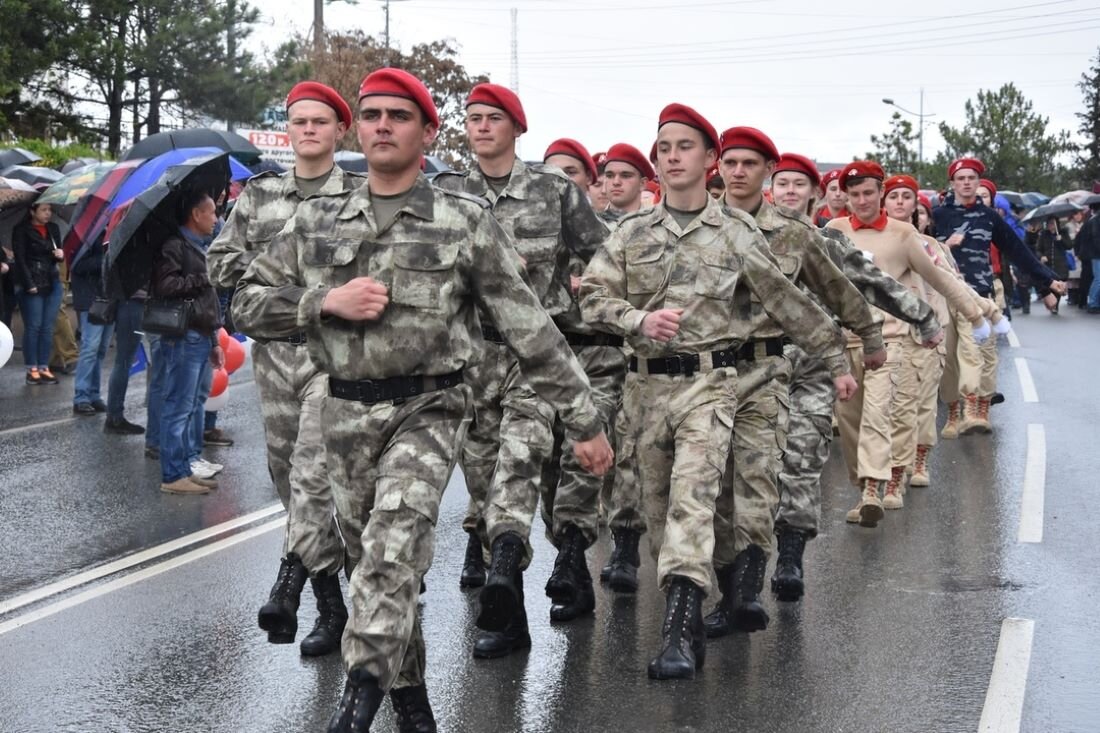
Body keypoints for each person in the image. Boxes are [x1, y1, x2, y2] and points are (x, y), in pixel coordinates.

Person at [230, 67, 612, 733]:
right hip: (343, 413)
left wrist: (583, 419)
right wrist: (322, 301)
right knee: (373, 568)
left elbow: (529, 326)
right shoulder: (316, 218)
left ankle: (357, 700)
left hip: (428, 410)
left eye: (398, 116)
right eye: (372, 114)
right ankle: (411, 701)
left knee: (392, 546)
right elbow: (245, 300)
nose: (382, 124)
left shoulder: (460, 220)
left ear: (427, 131)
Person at [580, 103, 848, 679]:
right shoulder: (631, 232)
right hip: (645, 391)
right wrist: (635, 320)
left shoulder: (737, 233)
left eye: (685, 146)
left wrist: (838, 356)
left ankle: (677, 630)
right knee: (658, 513)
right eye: (665, 148)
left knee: (693, 501)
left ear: (710, 160)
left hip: (711, 386)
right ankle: (701, 608)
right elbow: (593, 297)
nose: (673, 156)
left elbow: (786, 301)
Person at [434, 82, 616, 653]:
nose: (481, 127)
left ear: (517, 128)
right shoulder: (447, 194)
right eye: (473, 118)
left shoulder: (552, 190)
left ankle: (506, 582)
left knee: (520, 459)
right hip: (469, 358)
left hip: (536, 353)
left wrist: (598, 297)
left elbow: (606, 255)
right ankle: (540, 597)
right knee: (485, 478)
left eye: (493, 118)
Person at [209, 80, 364, 657]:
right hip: (276, 355)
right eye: (298, 121)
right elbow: (220, 263)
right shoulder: (260, 196)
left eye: (319, 121)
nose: (307, 130)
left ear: (338, 130)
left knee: (316, 475)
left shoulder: (359, 194)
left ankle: (306, 588)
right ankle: (332, 600)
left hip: (337, 353)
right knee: (288, 480)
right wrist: (284, 268)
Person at [705, 128, 867, 636]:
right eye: (728, 163)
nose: (735, 172)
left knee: (795, 463)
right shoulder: (702, 228)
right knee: (724, 483)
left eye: (748, 163)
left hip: (803, 367)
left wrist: (867, 340)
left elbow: (852, 291)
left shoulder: (805, 237)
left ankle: (787, 559)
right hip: (725, 372)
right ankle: (732, 585)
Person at [761, 155, 940, 602]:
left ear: (816, 195)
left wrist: (921, 317)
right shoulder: (734, 235)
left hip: (812, 367)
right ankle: (742, 577)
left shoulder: (822, 240)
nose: (787, 192)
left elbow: (866, 282)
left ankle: (789, 555)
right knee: (753, 472)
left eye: (797, 184)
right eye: (781, 183)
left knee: (802, 461)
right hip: (750, 372)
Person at [828, 161, 986, 526]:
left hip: (890, 343)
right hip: (844, 342)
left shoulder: (902, 235)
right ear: (846, 197)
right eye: (854, 195)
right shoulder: (833, 231)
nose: (862, 201)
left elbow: (942, 279)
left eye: (869, 193)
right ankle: (863, 483)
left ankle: (872, 491)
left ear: (880, 193)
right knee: (849, 422)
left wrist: (976, 315)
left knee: (877, 416)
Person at [933, 157, 1064, 432]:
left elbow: (1017, 251)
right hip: (944, 292)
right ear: (953, 183)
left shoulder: (989, 216)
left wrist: (1048, 280)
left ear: (978, 182)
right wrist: (945, 244)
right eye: (961, 178)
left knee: (973, 350)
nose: (967, 183)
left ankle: (972, 410)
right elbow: (918, 245)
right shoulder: (939, 214)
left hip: (978, 293)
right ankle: (954, 413)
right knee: (948, 358)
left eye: (971, 178)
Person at [150, 191, 225, 495]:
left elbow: (206, 301)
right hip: (182, 337)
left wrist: (215, 339)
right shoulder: (174, 246)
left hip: (199, 335)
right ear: (195, 215)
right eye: (211, 213)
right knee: (177, 408)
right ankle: (172, 475)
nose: (215, 219)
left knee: (190, 404)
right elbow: (165, 286)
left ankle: (183, 468)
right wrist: (202, 278)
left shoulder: (198, 246)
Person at [11, 202, 64, 385]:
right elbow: (21, 259)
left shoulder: (53, 229)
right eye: (43, 210)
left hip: (52, 281)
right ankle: (31, 368)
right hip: (32, 282)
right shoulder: (21, 230)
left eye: (50, 209)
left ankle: (44, 366)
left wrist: (60, 254)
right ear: (32, 211)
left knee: (47, 328)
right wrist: (29, 284)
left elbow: (58, 255)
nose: (48, 213)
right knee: (34, 326)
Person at [69, 235, 112, 414]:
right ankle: (81, 396)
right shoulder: (85, 235)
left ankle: (94, 395)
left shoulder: (112, 233)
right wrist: (106, 258)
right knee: (90, 347)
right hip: (91, 299)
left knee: (101, 349)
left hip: (109, 298)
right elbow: (77, 265)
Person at [1033, 217, 1071, 314]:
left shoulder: (1063, 233)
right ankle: (1052, 304)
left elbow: (1069, 245)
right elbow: (1038, 249)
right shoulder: (1044, 235)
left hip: (1060, 264)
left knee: (1058, 284)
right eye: (1049, 224)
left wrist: (1061, 239)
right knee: (1050, 284)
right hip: (1048, 265)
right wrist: (1041, 256)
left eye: (1052, 223)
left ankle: (1056, 305)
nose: (1051, 226)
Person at [1075, 202, 1100, 313]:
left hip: (1088, 254)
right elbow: (1096, 239)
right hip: (1094, 254)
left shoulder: (1090, 221)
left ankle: (1086, 301)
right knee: (1096, 279)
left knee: (1091, 278)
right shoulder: (1094, 221)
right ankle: (1092, 302)